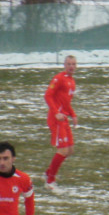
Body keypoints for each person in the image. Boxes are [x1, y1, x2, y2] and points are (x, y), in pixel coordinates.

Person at [43, 55, 78, 192]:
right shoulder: (59, 78)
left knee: (69, 150)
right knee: (62, 150)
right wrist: (56, 111)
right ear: (64, 65)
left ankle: (48, 173)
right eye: (69, 64)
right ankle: (50, 181)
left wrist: (73, 115)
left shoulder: (72, 81)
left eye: (74, 64)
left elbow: (66, 102)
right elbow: (48, 95)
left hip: (64, 119)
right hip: (56, 119)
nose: (71, 66)